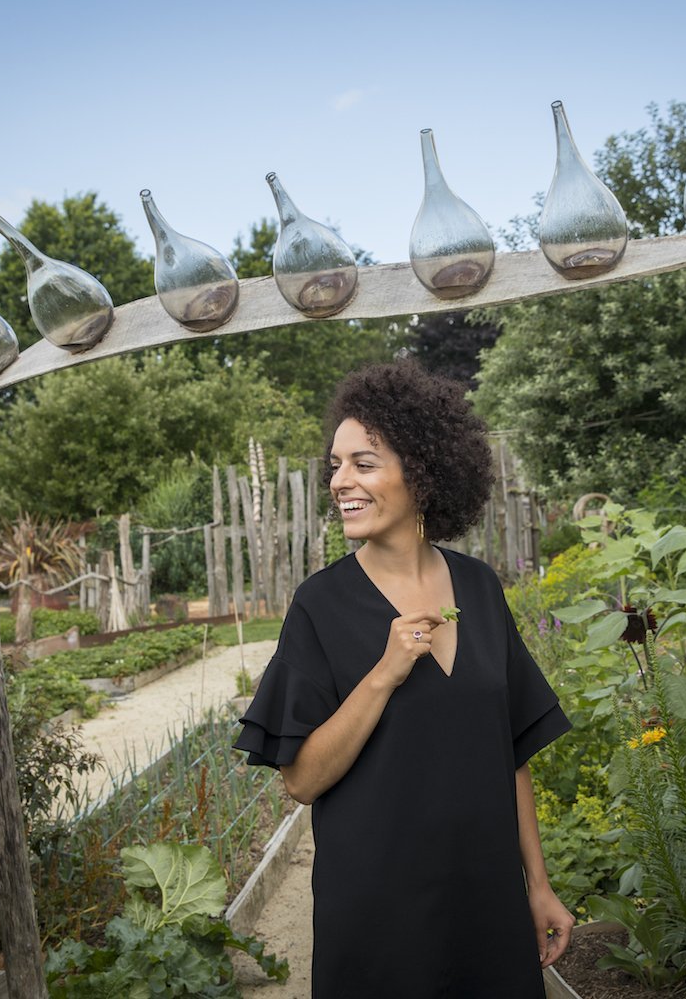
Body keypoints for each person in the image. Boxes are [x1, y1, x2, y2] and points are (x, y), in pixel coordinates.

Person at [233, 361, 575, 997]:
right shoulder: (320, 606)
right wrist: (384, 675)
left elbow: (512, 753)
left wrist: (538, 885)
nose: (340, 482)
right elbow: (302, 780)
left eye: (363, 463)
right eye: (335, 465)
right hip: (378, 911)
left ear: (422, 470)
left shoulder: (477, 586)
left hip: (485, 896)